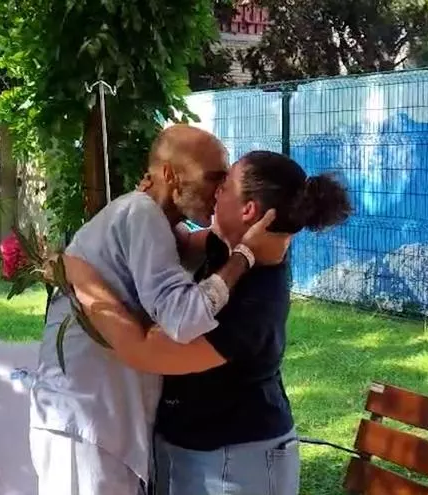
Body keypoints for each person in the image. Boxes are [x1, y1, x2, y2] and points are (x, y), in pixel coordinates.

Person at [64, 150, 353, 495]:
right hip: (193, 446)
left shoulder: (254, 305)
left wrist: (81, 278)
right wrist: (157, 201)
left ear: (249, 211)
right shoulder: (229, 247)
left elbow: (145, 351)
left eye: (226, 185)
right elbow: (182, 241)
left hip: (237, 461)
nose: (216, 191)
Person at [29, 125, 292, 495]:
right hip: (87, 418)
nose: (218, 191)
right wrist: (244, 255)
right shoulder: (142, 214)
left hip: (102, 418)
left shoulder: (152, 220)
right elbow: (183, 317)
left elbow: (189, 246)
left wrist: (256, 241)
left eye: (225, 184)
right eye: (214, 178)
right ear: (170, 175)